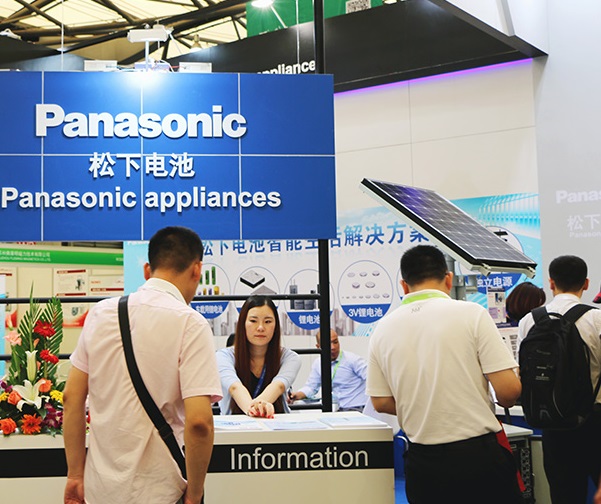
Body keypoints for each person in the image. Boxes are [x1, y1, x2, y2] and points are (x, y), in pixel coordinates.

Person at [62, 226, 222, 504]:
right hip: (160, 490)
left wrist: (75, 474)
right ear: (197, 270)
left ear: (147, 270)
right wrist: (195, 494)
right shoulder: (191, 324)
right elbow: (199, 422)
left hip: (101, 490)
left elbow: (71, 398)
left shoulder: (101, 313)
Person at [367, 244, 524, 504]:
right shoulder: (472, 314)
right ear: (448, 279)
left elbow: (381, 402)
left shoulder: (382, 329)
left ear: (403, 285)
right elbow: (508, 393)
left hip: (423, 464)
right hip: (479, 459)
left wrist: (427, 405)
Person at [517, 255, 601, 504]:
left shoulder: (529, 321)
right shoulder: (597, 319)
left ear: (551, 283)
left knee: (564, 495)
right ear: (586, 283)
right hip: (594, 420)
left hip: (551, 420)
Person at [216, 295, 300, 417]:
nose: (260, 327)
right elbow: (235, 388)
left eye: (267, 321)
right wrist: (255, 410)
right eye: (253, 321)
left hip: (276, 424)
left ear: (276, 325)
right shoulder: (223, 356)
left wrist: (255, 408)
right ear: (243, 324)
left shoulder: (290, 358)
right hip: (236, 425)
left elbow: (278, 386)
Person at [289, 329, 367, 411]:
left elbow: (371, 377)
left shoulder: (352, 360)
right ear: (318, 347)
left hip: (358, 408)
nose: (333, 347)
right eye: (328, 344)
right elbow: (311, 387)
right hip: (339, 408)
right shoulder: (318, 363)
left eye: (335, 342)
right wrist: (296, 395)